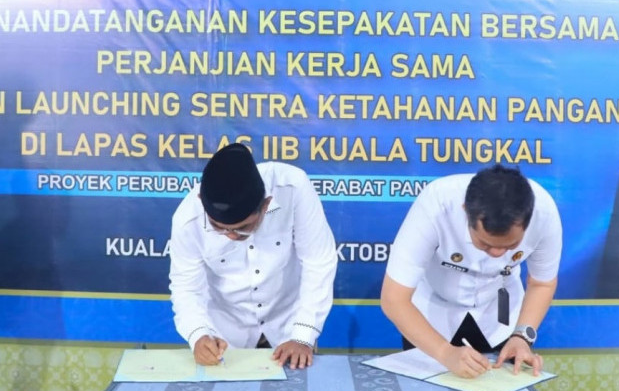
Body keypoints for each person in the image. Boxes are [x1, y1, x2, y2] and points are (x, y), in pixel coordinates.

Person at [380, 164, 561, 378]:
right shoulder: (436, 204)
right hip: (430, 318)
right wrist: (445, 353)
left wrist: (522, 337)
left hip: (500, 319)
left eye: (510, 246)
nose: (496, 254)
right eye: (485, 244)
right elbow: (394, 299)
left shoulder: (544, 214)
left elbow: (542, 283)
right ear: (466, 211)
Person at [169, 142, 338, 369]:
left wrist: (303, 335)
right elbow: (186, 287)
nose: (231, 236)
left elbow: (318, 262)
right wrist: (198, 335)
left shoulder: (292, 188)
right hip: (225, 338)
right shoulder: (187, 219)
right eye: (219, 228)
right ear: (201, 201)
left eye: (242, 228)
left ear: (266, 205)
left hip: (291, 329)